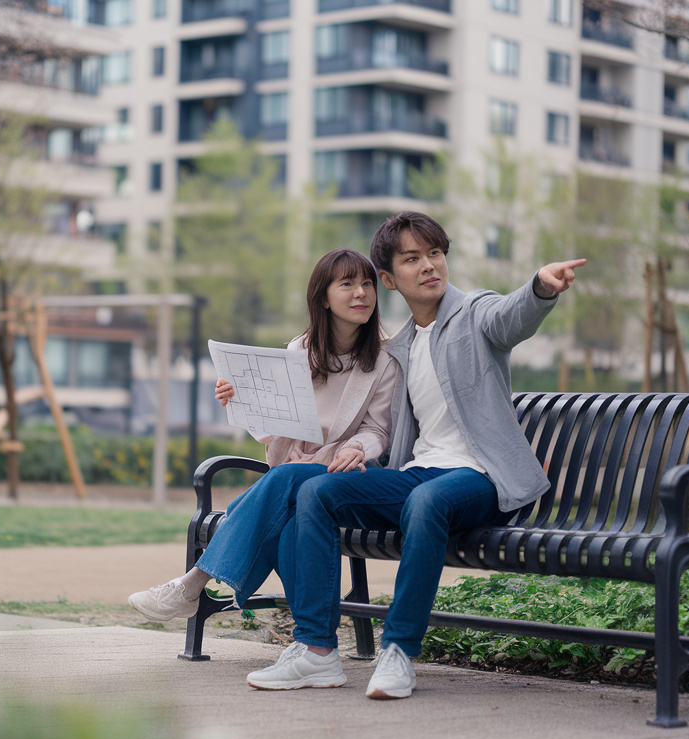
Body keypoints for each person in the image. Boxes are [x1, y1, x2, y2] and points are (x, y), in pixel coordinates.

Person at [245, 211, 584, 696]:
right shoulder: (399, 347)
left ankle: (398, 652)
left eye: (435, 254)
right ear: (389, 278)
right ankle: (317, 650)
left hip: (479, 477)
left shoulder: (474, 314)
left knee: (426, 503)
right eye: (412, 259)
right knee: (317, 492)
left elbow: (510, 318)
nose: (429, 266)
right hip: (420, 471)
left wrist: (540, 289)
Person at [128, 248, 400, 662]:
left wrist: (357, 446)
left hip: (352, 475)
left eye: (366, 284)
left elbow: (379, 429)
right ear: (323, 297)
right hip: (297, 474)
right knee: (289, 509)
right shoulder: (300, 350)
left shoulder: (385, 358)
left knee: (285, 481)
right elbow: (275, 425)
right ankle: (316, 645)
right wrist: (239, 397)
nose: (361, 293)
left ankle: (193, 585)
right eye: (347, 284)